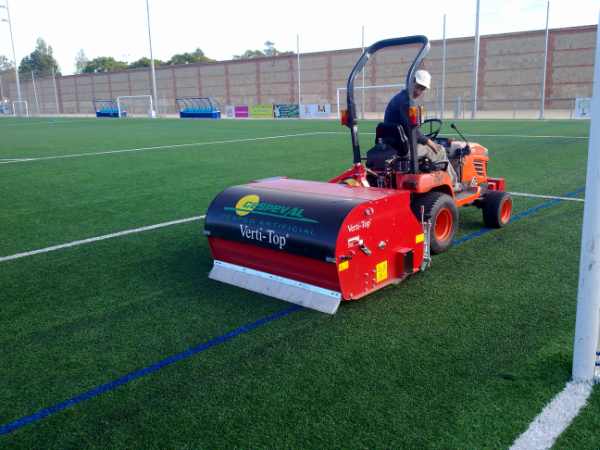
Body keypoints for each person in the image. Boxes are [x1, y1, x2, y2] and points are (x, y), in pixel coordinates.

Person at [384, 70, 460, 190]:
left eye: (422, 89)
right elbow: (411, 128)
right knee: (439, 150)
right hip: (403, 149)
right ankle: (454, 184)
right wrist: (429, 142)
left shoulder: (398, 98)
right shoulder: (406, 102)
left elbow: (409, 128)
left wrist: (423, 139)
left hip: (393, 145)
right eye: (418, 87)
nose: (419, 92)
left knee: (430, 148)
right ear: (412, 81)